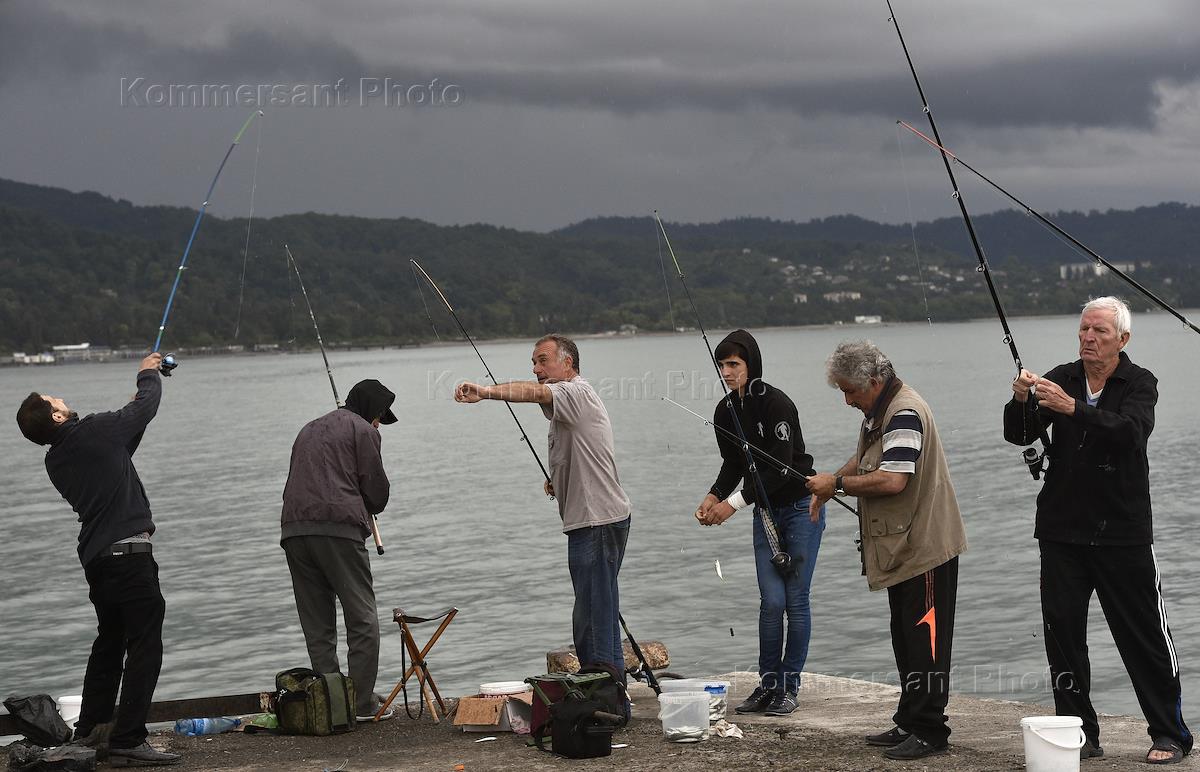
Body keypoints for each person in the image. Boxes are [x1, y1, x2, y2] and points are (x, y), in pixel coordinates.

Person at [1004, 296, 1191, 765]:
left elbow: (1131, 433)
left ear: (1122, 339)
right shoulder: (1062, 377)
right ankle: (1079, 734)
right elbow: (1019, 433)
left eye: (1100, 331)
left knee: (1144, 635)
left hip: (1123, 531)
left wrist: (1073, 409)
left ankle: (1170, 733)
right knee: (1063, 636)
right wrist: (1021, 399)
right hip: (1061, 530)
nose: (1088, 337)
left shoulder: (1139, 382)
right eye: (1084, 329)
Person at [16, 353, 181, 767]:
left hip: (98, 561)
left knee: (109, 642)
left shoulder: (57, 459)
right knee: (145, 644)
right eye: (54, 399)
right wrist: (147, 374)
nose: (61, 398)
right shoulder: (94, 430)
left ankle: (91, 728)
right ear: (56, 416)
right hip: (129, 556)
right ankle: (128, 737)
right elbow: (145, 408)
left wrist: (135, 410)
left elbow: (121, 444)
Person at [807, 341, 966, 761]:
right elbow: (866, 459)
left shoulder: (904, 412)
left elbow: (894, 479)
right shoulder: (881, 410)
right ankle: (910, 720)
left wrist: (836, 485)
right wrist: (830, 483)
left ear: (874, 382)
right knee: (906, 637)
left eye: (850, 391)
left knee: (927, 641)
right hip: (904, 547)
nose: (847, 400)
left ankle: (930, 730)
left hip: (926, 547)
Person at [455, 334, 632, 675]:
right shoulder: (568, 406)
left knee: (592, 617)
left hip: (596, 522)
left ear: (568, 363)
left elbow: (536, 393)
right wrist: (559, 480)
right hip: (596, 519)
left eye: (542, 361)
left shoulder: (576, 392)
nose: (536, 369)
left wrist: (486, 391)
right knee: (598, 611)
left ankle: (603, 687)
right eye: (533, 363)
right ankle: (611, 689)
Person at [694, 329, 824, 717]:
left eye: (734, 364)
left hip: (800, 507)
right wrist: (714, 495)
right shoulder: (724, 412)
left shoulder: (776, 404)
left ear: (751, 364)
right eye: (721, 365)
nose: (726, 372)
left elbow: (782, 467)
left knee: (795, 601)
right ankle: (768, 686)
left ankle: (789, 687)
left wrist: (732, 504)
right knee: (772, 602)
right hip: (765, 513)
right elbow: (733, 464)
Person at [281, 378, 397, 722]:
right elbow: (376, 492)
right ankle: (360, 704)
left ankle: (331, 704)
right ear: (372, 411)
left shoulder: (307, 429)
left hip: (294, 530)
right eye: (380, 418)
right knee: (362, 618)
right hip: (339, 530)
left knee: (317, 623)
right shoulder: (364, 430)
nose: (378, 425)